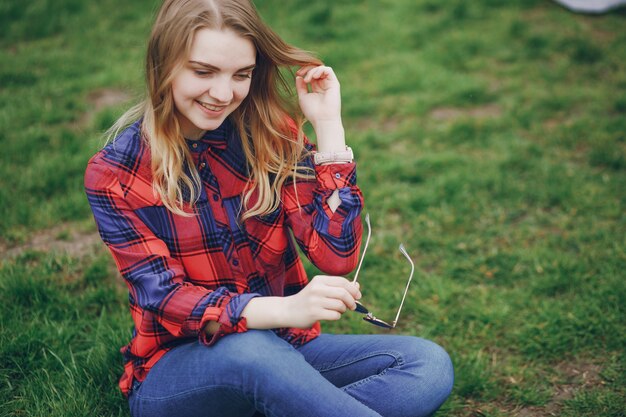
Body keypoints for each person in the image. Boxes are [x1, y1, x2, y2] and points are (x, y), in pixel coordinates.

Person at [84, 1, 454, 416]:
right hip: (178, 372)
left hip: (285, 350)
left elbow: (335, 256)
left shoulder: (270, 135)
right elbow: (165, 297)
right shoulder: (115, 173)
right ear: (163, 64)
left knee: (426, 365)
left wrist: (329, 127)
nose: (223, 94)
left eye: (240, 75)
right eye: (203, 72)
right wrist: (288, 309)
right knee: (251, 349)